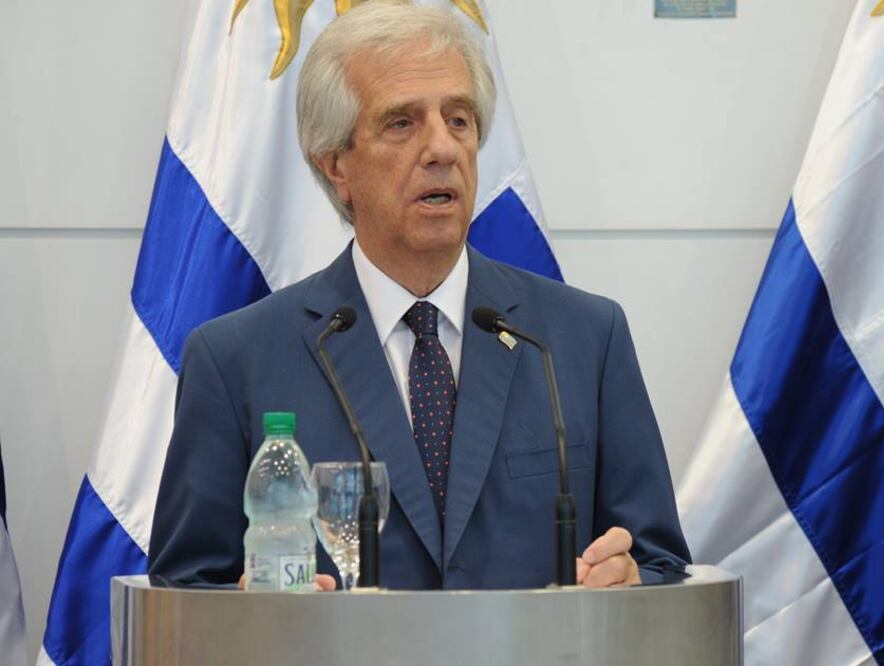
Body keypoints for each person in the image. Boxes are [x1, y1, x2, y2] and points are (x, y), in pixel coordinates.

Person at [148, 0, 689, 590]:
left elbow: (661, 563)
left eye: (459, 119)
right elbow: (186, 594)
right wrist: (248, 613)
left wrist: (631, 579)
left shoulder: (584, 339)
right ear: (336, 166)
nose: (442, 149)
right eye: (402, 123)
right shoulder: (237, 360)